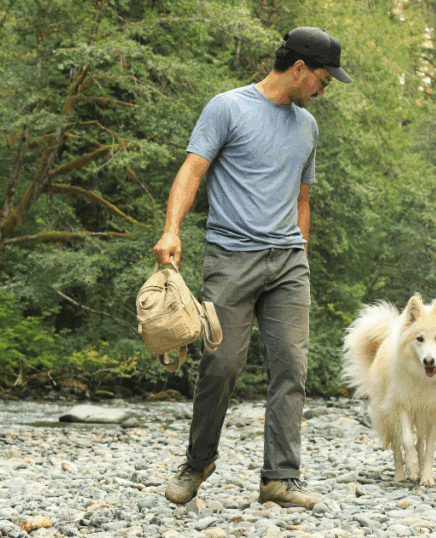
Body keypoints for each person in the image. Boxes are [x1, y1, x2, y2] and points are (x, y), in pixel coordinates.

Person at [152, 26, 352, 509]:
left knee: (291, 368)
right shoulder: (227, 107)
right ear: (300, 68)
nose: (325, 89)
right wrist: (171, 229)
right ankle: (197, 463)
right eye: (323, 78)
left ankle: (280, 479)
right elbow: (192, 170)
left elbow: (302, 199)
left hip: (288, 264)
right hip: (231, 257)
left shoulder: (308, 126)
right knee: (220, 364)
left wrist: (300, 253)